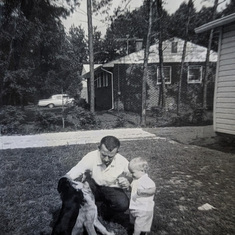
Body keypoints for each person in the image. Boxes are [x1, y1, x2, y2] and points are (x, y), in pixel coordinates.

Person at [65, 135, 131, 215]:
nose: (106, 159)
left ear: (116, 153)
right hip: (92, 186)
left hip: (111, 188)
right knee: (77, 198)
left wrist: (128, 181)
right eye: (103, 155)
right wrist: (65, 181)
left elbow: (134, 175)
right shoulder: (90, 157)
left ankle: (104, 209)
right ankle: (90, 206)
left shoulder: (121, 160)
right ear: (99, 149)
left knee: (122, 204)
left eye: (110, 157)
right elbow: (76, 171)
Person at [128, 157, 156, 235]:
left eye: (132, 172)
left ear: (142, 171)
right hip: (136, 206)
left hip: (144, 208)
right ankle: (142, 233)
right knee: (139, 224)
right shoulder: (136, 180)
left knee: (138, 225)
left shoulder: (146, 180)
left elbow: (153, 190)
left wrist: (144, 191)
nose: (131, 174)